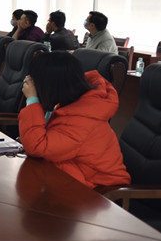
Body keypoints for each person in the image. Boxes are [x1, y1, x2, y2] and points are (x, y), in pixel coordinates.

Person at [19, 52, 130, 188]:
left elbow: (37, 147)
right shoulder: (70, 103)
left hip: (99, 190)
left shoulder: (82, 117)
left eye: (34, 80)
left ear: (50, 85)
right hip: (75, 176)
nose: (29, 82)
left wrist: (32, 101)